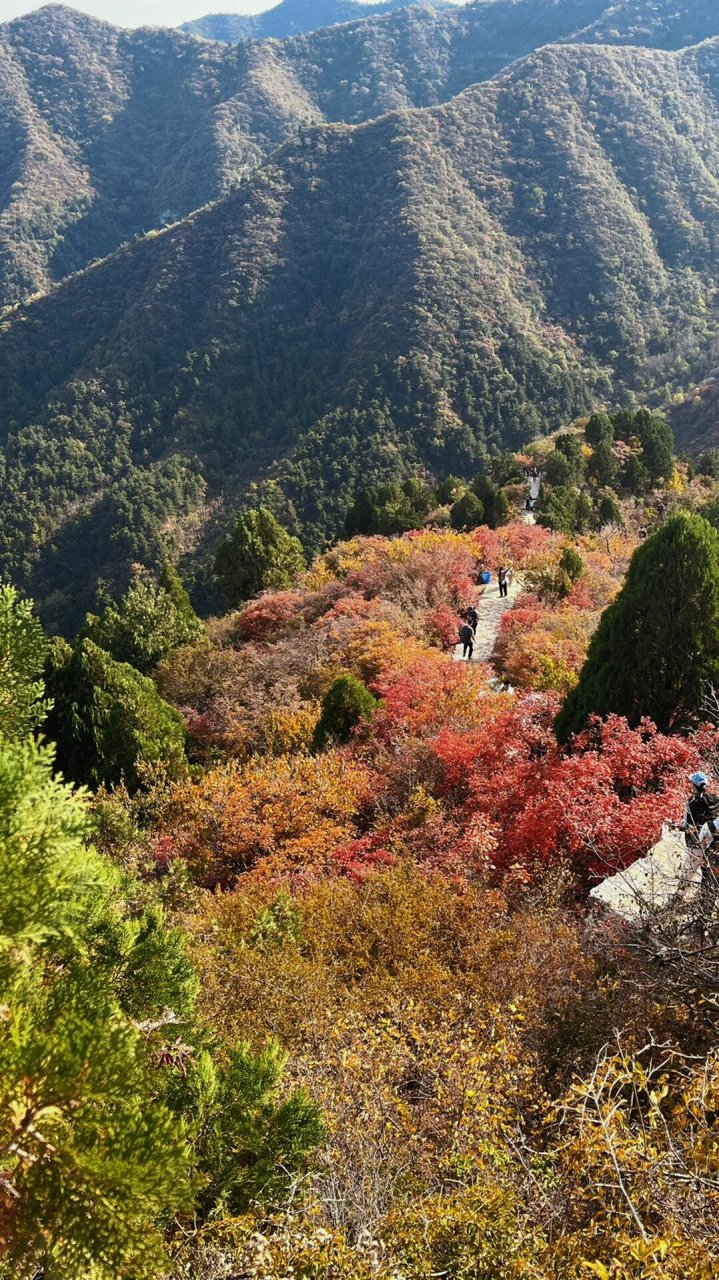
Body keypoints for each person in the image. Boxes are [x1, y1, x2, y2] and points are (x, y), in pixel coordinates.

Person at [672, 772, 719, 928]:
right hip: (712, 844)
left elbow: (687, 825)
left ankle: (677, 900)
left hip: (696, 844)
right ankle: (706, 911)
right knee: (709, 878)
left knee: (688, 873)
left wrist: (674, 825)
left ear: (694, 786)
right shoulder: (714, 799)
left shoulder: (691, 803)